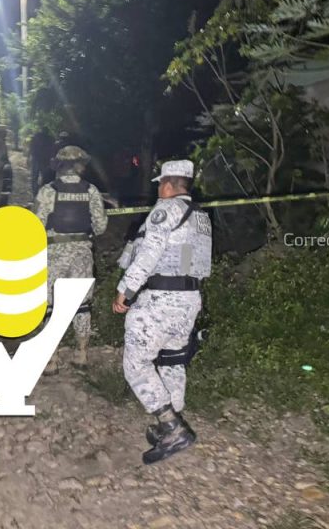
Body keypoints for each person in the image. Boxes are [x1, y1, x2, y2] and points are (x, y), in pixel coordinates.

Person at [112, 159, 212, 464]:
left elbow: (148, 254)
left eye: (160, 185)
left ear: (167, 185)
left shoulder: (165, 210)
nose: (158, 190)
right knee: (172, 360)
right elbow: (187, 259)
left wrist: (126, 290)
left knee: (136, 364)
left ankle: (172, 428)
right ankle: (172, 419)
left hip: (161, 300)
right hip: (189, 298)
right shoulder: (199, 216)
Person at [33, 145, 107, 372]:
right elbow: (101, 227)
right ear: (80, 165)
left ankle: (51, 359)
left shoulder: (47, 191)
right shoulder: (91, 191)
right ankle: (82, 354)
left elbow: (36, 224)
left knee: (49, 305)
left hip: (53, 253)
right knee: (82, 305)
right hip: (82, 254)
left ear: (59, 165)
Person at [28, 128, 56, 197]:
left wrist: (28, 157)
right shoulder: (50, 138)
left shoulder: (36, 136)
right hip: (45, 160)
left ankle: (35, 193)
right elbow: (53, 149)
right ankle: (43, 193)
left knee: (35, 177)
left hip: (36, 159)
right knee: (45, 177)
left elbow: (31, 148)